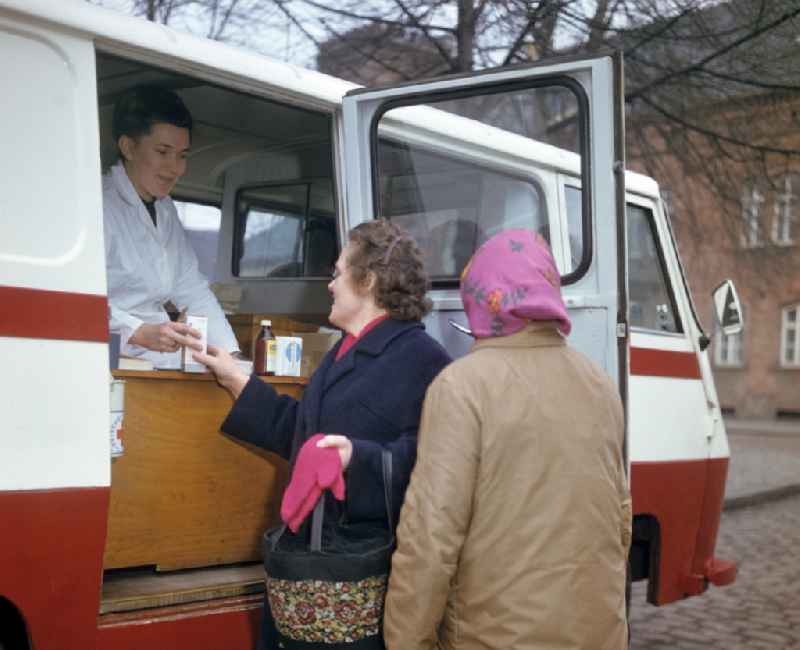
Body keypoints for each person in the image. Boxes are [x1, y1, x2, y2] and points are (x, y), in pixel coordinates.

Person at [194, 219, 451, 649]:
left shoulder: (424, 360)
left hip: (356, 584)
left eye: (337, 273)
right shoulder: (343, 349)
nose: (330, 285)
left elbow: (436, 468)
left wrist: (357, 458)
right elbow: (304, 434)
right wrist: (237, 380)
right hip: (311, 575)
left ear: (368, 280)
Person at [384, 229, 631, 650]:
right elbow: (620, 520)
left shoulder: (461, 386)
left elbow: (431, 537)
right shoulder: (600, 384)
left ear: (481, 300)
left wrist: (406, 641)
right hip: (598, 633)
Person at [103, 84, 239, 368]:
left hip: (155, 357)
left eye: (182, 155)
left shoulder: (164, 208)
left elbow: (190, 287)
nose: (176, 168)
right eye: (163, 152)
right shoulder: (98, 205)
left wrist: (230, 354)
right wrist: (137, 331)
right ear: (128, 147)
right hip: (106, 353)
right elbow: (76, 300)